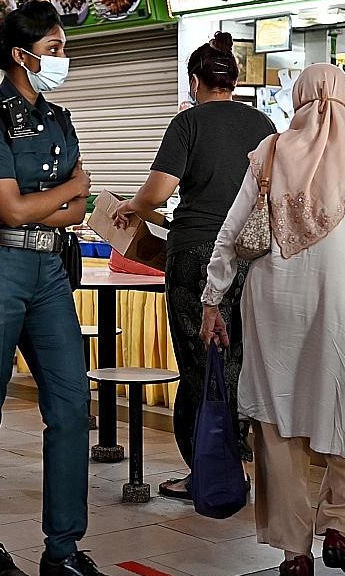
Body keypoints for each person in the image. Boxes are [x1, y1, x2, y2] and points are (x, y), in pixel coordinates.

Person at [200, 63, 345, 576]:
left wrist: (212, 300)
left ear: (297, 99)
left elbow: (230, 235)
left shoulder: (269, 154)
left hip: (272, 306)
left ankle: (296, 552)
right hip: (338, 310)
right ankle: (342, 526)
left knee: (277, 422)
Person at [0, 0, 123, 576]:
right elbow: (22, 208)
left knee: (72, 407)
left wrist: (57, 198)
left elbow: (81, 211)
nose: (62, 59)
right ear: (22, 55)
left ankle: (64, 552)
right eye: (53, 49)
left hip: (50, 268)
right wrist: (67, 189)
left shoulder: (59, 119)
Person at [112, 31, 274, 500]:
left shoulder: (189, 123)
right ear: (235, 80)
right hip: (249, 255)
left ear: (194, 81)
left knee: (200, 363)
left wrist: (132, 207)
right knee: (239, 360)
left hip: (198, 253)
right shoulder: (262, 123)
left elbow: (159, 191)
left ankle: (207, 471)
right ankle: (237, 462)